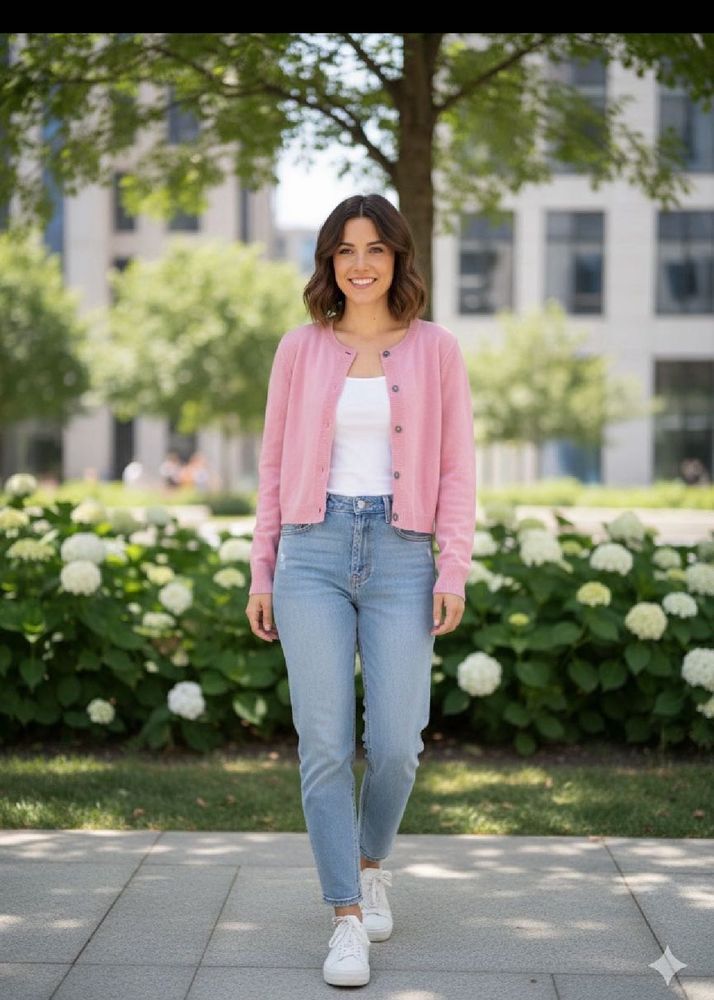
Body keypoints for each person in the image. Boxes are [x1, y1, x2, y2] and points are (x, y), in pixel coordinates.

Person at [245, 194, 476, 988]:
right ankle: (345, 916)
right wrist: (262, 569)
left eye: (376, 247)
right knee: (323, 744)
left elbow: (456, 470)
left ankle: (372, 858)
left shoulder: (438, 349)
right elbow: (273, 467)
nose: (361, 262)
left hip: (404, 554)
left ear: (398, 258)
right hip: (311, 550)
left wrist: (454, 568)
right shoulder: (300, 349)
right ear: (328, 263)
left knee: (399, 745)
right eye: (345, 249)